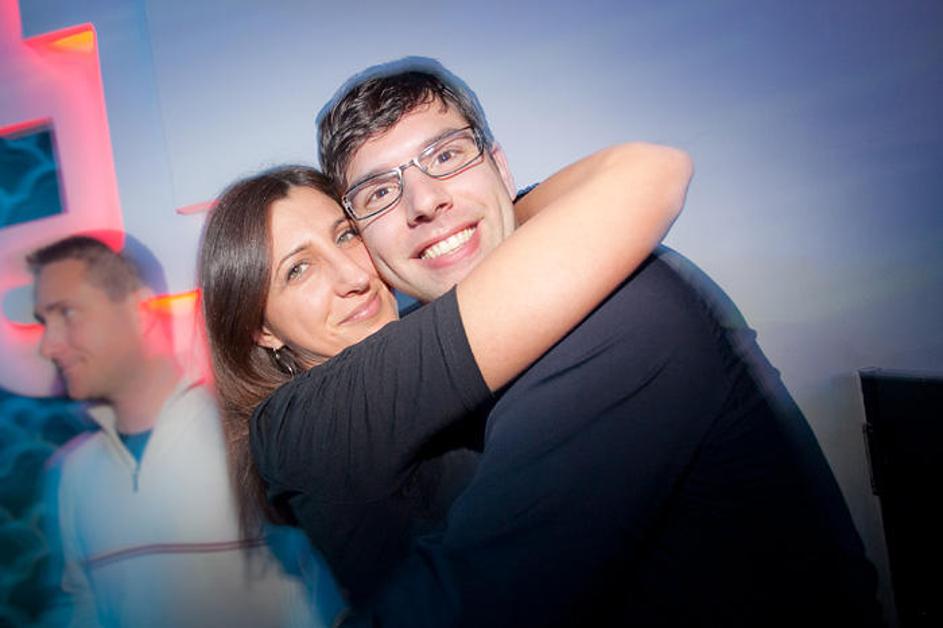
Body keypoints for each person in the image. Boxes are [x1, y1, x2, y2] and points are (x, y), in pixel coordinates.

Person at [315, 59, 885, 627]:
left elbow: (475, 605)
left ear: (501, 170)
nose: (423, 202)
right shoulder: (457, 340)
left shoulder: (618, 313)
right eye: (379, 192)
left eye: (446, 156)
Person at [198, 142, 689, 608]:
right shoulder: (299, 423)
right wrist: (487, 219)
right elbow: (643, 175)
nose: (353, 278)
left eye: (346, 236)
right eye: (298, 270)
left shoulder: (407, 351)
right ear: (262, 329)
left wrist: (486, 219)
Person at [30, 235, 340, 627]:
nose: (48, 346)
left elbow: (331, 585)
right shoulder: (72, 472)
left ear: (139, 310)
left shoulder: (249, 433)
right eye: (44, 322)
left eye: (67, 313)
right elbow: (81, 606)